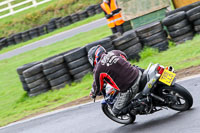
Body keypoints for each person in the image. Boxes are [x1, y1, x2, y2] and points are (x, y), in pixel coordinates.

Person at [88, 45, 143, 116]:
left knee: (116, 112)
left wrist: (93, 94)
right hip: (138, 73)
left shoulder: (98, 69)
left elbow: (97, 87)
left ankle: (138, 103)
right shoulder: (114, 52)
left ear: (93, 58)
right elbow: (124, 56)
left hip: (129, 86)